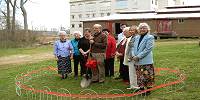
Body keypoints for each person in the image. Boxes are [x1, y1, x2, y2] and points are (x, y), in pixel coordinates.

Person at [131, 23, 155, 96]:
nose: (142, 29)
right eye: (141, 28)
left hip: (145, 60)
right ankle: (141, 89)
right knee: (139, 75)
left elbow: (148, 49)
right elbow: (132, 47)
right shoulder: (136, 37)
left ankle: (148, 90)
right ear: (138, 29)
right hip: (136, 60)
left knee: (147, 76)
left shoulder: (150, 37)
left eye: (144, 28)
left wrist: (138, 56)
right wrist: (133, 56)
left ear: (147, 29)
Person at [124, 25, 139, 90]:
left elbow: (135, 47)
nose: (130, 31)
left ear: (136, 30)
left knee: (134, 72)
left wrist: (132, 56)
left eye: (132, 30)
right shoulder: (132, 37)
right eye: (130, 30)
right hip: (130, 57)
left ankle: (136, 85)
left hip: (134, 57)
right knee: (131, 72)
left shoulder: (137, 37)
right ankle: (132, 85)